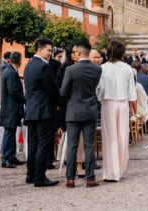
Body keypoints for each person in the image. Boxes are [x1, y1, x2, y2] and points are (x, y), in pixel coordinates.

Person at [60, 41, 102, 188]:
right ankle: (90, 178)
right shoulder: (97, 69)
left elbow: (63, 92)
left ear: (78, 53)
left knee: (72, 145)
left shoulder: (71, 70)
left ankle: (70, 179)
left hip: (73, 111)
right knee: (89, 145)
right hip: (90, 110)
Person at [96, 39, 136, 182]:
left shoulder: (102, 68)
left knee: (109, 137)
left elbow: (99, 89)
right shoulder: (127, 68)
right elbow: (132, 90)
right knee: (122, 136)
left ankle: (111, 172)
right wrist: (132, 108)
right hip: (123, 103)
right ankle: (120, 169)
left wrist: (100, 98)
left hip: (108, 103)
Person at [24, 38, 60, 187]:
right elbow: (52, 89)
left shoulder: (29, 65)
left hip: (32, 110)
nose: (50, 54)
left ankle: (30, 174)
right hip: (44, 110)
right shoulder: (44, 67)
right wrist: (58, 103)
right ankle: (39, 177)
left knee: (33, 143)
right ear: (40, 49)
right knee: (43, 144)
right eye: (49, 50)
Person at [0, 52, 25, 168]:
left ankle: (11, 156)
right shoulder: (11, 72)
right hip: (11, 108)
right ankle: (5, 159)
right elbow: (13, 91)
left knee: (11, 132)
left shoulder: (9, 70)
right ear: (19, 61)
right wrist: (24, 99)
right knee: (9, 133)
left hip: (9, 107)